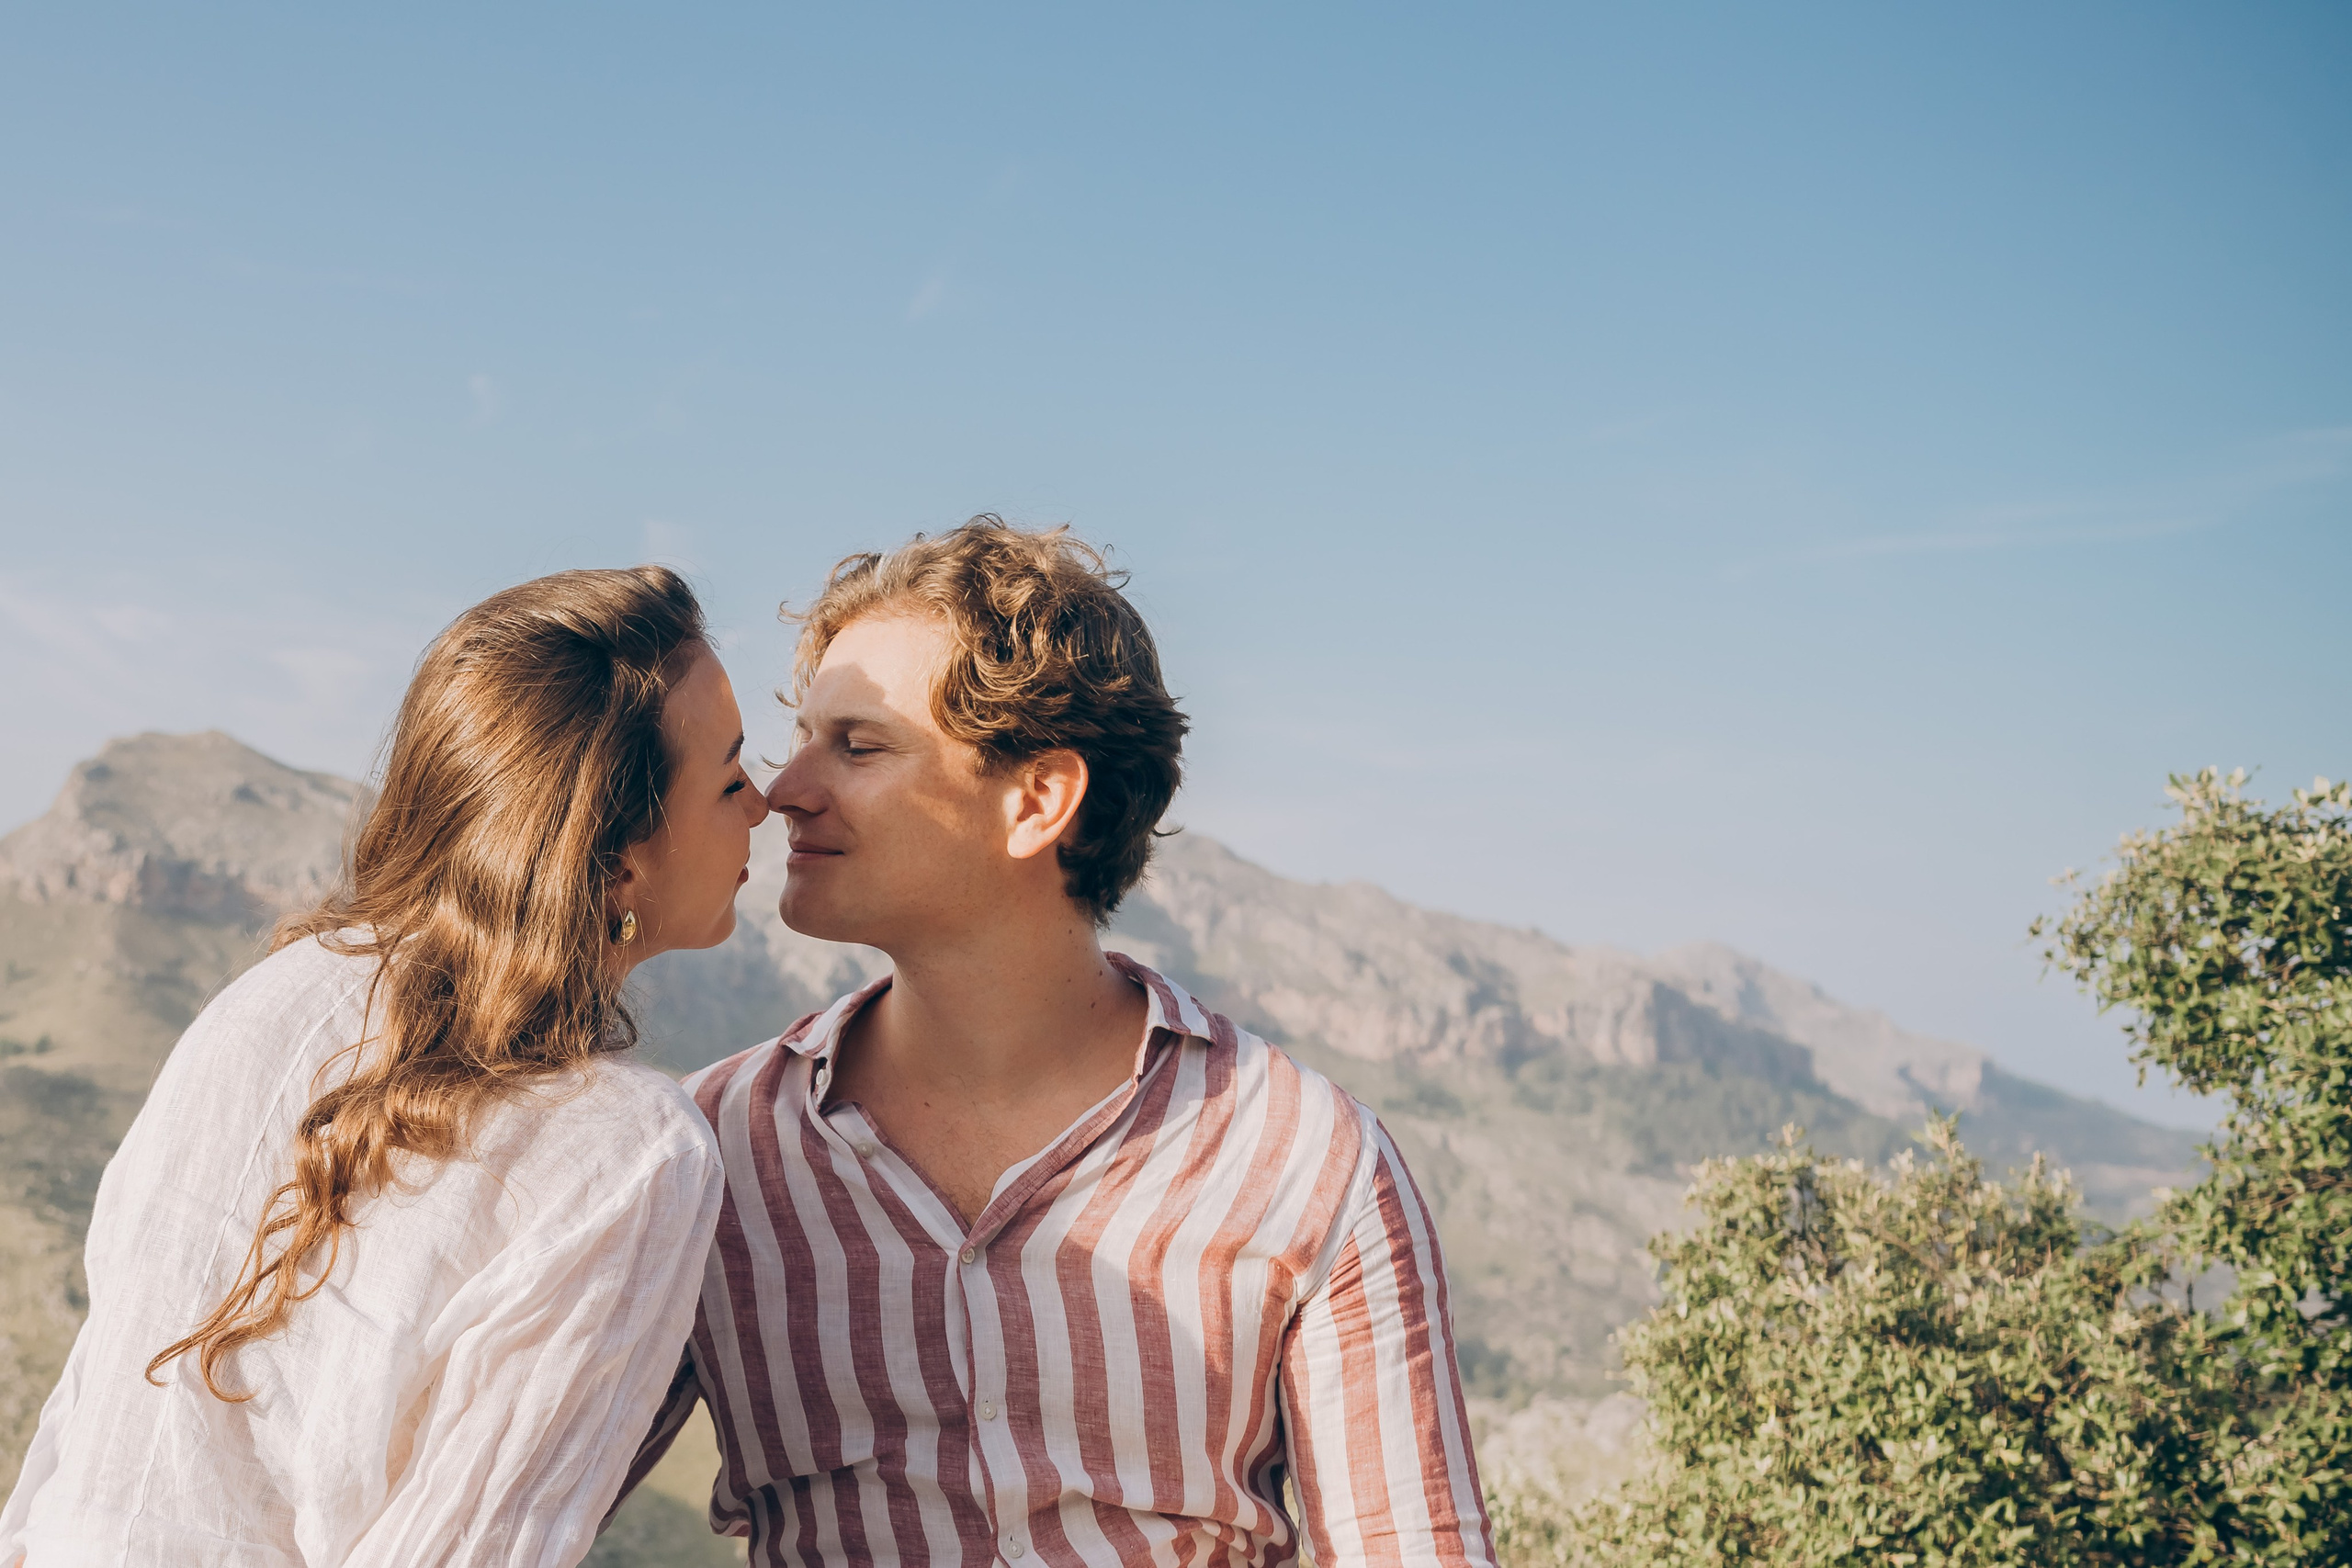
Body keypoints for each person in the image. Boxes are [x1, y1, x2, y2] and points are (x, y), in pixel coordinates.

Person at [619, 518, 1494, 1566]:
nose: (781, 790)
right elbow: (498, 1493)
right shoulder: (705, 1152)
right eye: (805, 737)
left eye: (855, 746)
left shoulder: (1307, 1160)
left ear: (1036, 800)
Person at [0, 567, 766, 1566]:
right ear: (620, 858)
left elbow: (91, 1419)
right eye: (730, 777)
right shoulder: (629, 1154)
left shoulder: (268, 997)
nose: (767, 802)